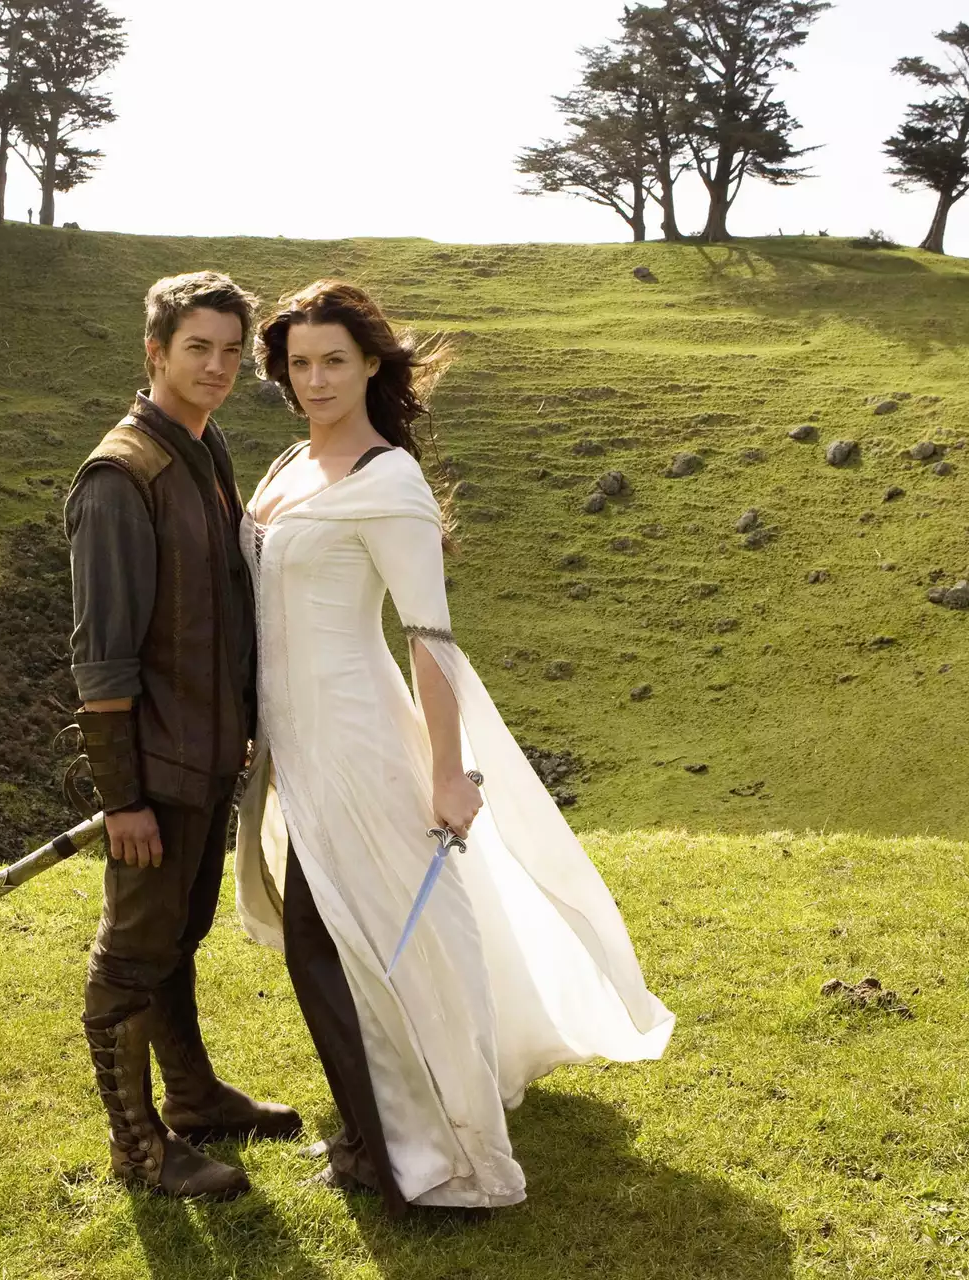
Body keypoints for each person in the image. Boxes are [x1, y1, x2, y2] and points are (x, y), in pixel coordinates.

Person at [232, 281, 675, 1215]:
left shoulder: (389, 479)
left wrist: (445, 772)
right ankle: (375, 1130)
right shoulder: (289, 464)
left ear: (371, 365)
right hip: (290, 743)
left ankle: (409, 1151)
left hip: (354, 739)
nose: (315, 380)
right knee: (328, 942)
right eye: (300, 363)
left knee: (342, 941)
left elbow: (428, 636)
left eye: (335, 361)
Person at [63, 271, 302, 1200]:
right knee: (131, 954)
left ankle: (194, 1099)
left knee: (177, 934)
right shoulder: (121, 477)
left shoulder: (205, 447)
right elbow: (103, 660)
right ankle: (138, 1150)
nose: (217, 366)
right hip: (156, 770)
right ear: (155, 351)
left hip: (206, 756)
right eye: (197, 347)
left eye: (231, 351)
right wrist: (122, 798)